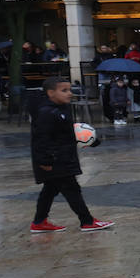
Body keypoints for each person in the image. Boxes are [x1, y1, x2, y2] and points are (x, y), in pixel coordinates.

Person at [29, 77, 114, 234]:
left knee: (49, 190)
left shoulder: (61, 108)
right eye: (64, 90)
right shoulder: (46, 112)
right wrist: (44, 160)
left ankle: (39, 222)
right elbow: (41, 138)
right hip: (55, 160)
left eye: (70, 90)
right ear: (50, 93)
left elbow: (69, 132)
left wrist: (91, 140)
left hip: (62, 157)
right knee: (71, 189)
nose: (69, 94)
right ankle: (87, 221)